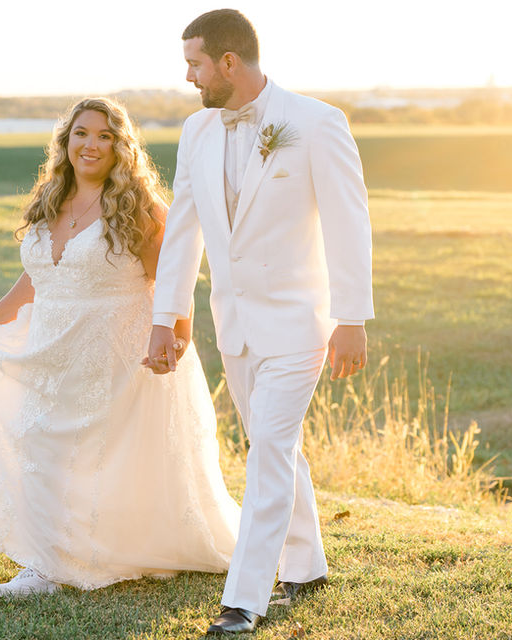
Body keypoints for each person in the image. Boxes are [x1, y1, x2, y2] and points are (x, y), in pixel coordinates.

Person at [0, 97, 240, 597]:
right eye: (81, 134)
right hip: (50, 347)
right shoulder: (51, 197)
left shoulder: (140, 206)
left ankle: (99, 554)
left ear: (121, 146)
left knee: (102, 454)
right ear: (65, 141)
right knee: (40, 443)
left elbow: (174, 278)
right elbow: (41, 274)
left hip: (116, 349)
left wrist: (178, 337)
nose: (91, 145)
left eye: (105, 136)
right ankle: (44, 564)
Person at [144, 9, 374, 635]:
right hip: (235, 324)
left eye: (194, 64)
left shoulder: (315, 122)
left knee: (269, 447)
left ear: (228, 62)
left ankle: (243, 599)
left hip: (303, 322)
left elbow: (350, 224)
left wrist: (351, 317)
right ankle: (307, 563)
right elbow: (185, 229)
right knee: (274, 446)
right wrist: (167, 315)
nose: (188, 77)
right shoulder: (197, 131)